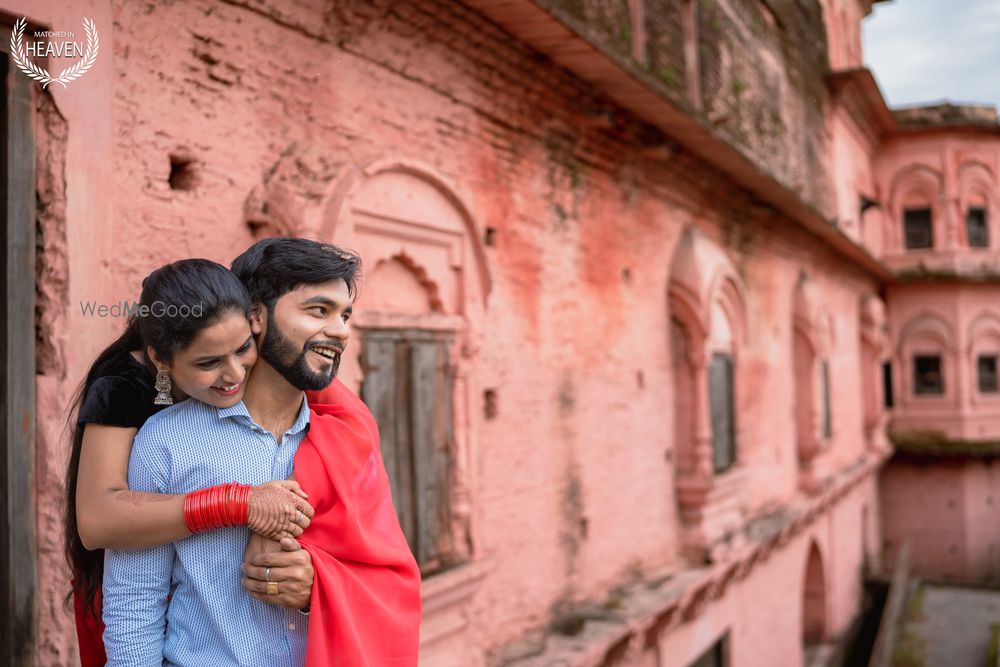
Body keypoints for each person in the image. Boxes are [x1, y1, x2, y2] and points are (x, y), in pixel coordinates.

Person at [103, 238, 423, 666]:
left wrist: (319, 589)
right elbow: (134, 599)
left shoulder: (347, 442)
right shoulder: (168, 441)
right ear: (255, 315)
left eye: (345, 315)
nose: (341, 330)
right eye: (318, 310)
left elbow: (389, 577)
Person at [65, 259, 316, 667]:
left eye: (243, 349)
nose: (235, 373)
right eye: (208, 362)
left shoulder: (263, 372)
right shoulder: (125, 386)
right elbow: (97, 521)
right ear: (161, 361)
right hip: (134, 583)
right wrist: (238, 503)